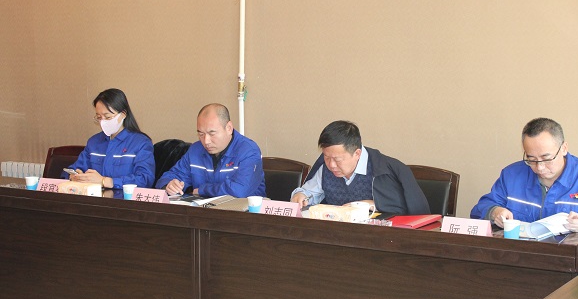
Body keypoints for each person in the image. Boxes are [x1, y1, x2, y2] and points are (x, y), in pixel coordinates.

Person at [471, 117, 578, 234]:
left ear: (564, 148)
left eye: (547, 158)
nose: (540, 167)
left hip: (572, 259)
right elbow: (480, 209)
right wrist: (494, 212)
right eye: (531, 159)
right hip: (520, 256)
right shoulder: (511, 175)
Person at [291, 120, 430, 215]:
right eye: (326, 157)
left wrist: (369, 205)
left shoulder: (384, 169)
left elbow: (403, 209)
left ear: (357, 153)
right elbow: (309, 193)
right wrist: (300, 195)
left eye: (337, 159)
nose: (331, 165)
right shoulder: (325, 168)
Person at [156, 103, 265, 198]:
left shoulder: (249, 151)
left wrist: (202, 190)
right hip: (203, 212)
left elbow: (239, 190)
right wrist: (169, 185)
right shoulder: (195, 150)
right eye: (201, 134)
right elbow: (168, 177)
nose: (206, 141)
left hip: (244, 213)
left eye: (212, 133)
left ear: (229, 128)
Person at [62, 88, 156, 189]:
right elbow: (74, 168)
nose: (103, 122)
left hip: (123, 198)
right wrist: (73, 176)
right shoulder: (94, 142)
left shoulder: (140, 143)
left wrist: (106, 181)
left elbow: (145, 179)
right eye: (99, 117)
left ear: (123, 114)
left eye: (108, 117)